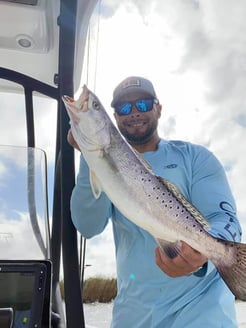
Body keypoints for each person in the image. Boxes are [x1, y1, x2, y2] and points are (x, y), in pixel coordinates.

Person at [68, 76, 242, 327]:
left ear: (159, 108)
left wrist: (203, 254)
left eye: (144, 104)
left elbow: (226, 219)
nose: (134, 112)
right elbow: (87, 226)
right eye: (125, 108)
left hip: (203, 316)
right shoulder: (100, 162)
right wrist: (89, 156)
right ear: (114, 117)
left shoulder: (196, 158)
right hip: (133, 318)